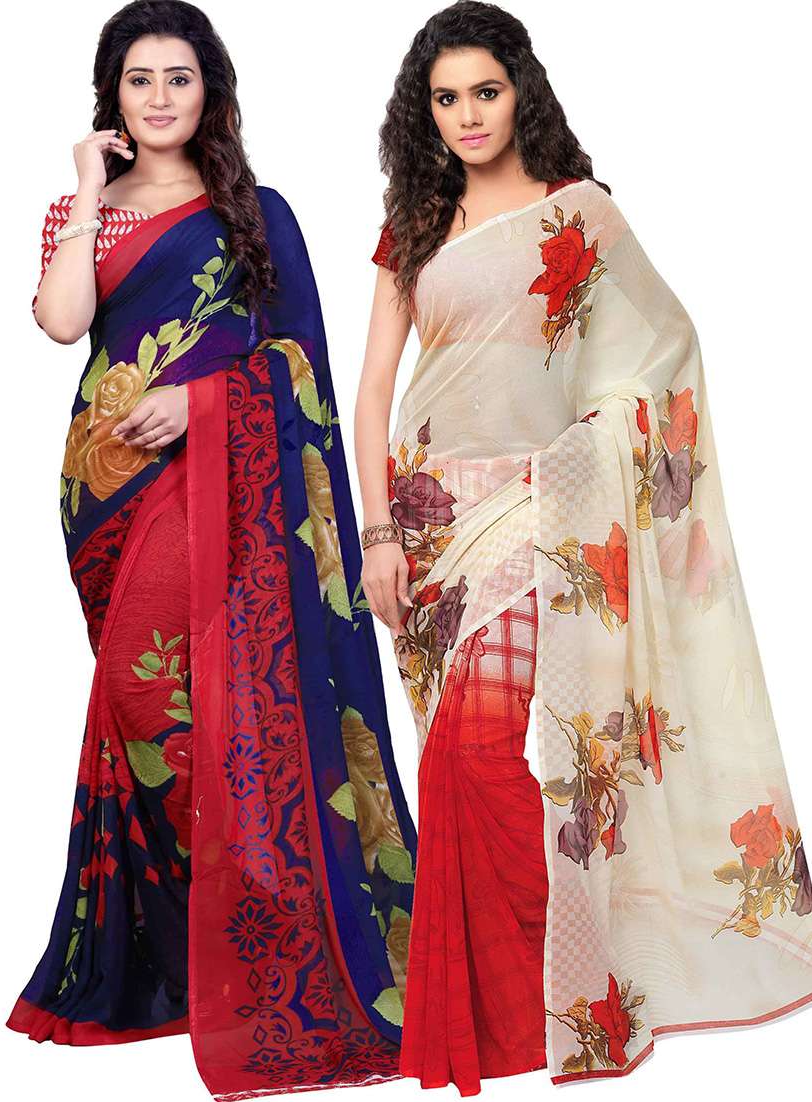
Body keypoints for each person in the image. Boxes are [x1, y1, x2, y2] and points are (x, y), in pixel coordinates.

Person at [355, 0, 812, 1094]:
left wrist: (585, 453)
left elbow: (663, 348)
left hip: (542, 503)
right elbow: (372, 389)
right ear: (425, 113)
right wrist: (375, 534)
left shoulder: (579, 214)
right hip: (427, 520)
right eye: (445, 99)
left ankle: (550, 1003)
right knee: (456, 762)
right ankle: (516, 1013)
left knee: (481, 751)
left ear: (521, 91)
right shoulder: (413, 221)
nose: (468, 115)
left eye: (485, 91)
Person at [6, 2, 417, 1098]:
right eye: (138, 79)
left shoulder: (254, 213)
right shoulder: (79, 213)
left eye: (177, 78)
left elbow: (298, 363)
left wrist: (201, 404)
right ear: (112, 95)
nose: (157, 97)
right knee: (149, 714)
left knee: (214, 715)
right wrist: (86, 189)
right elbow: (61, 322)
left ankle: (269, 951)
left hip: (221, 492)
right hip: (105, 497)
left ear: (209, 93)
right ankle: (207, 957)